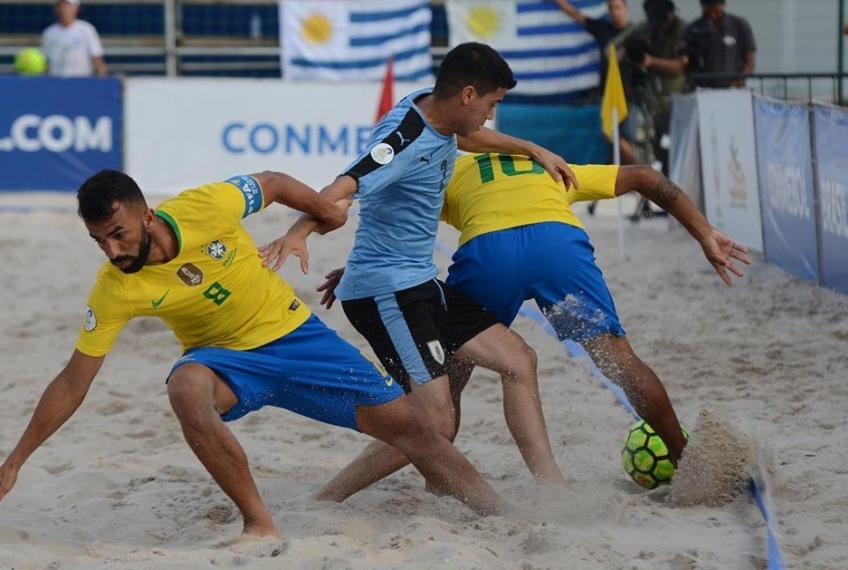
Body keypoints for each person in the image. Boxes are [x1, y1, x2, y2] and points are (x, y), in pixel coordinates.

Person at [0, 169, 513, 540]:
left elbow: (271, 183)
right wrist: (16, 460)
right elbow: (73, 381)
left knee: (419, 431)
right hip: (225, 362)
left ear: (147, 216)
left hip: (297, 338)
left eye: (118, 234)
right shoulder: (115, 288)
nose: (113, 251)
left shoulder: (204, 205)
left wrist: (321, 209)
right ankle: (259, 523)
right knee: (185, 388)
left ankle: (502, 515)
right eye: (99, 241)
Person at [259, 42, 579, 503]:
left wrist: (531, 148)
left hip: (418, 281)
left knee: (519, 361)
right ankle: (326, 500)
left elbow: (464, 137)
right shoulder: (403, 139)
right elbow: (344, 186)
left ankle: (554, 489)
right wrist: (300, 230)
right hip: (388, 293)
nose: (491, 116)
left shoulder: (436, 109)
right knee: (433, 425)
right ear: (468, 94)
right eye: (492, 104)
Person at [316, 154, 751, 487]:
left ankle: (439, 478)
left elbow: (395, 220)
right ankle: (683, 458)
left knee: (453, 368)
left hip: (490, 252)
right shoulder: (551, 166)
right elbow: (645, 176)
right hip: (556, 244)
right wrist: (704, 233)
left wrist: (360, 272)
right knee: (616, 359)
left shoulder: (450, 170)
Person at [551, 0, 639, 165]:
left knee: (630, 139)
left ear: (626, 9)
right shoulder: (604, 29)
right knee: (609, 135)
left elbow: (646, 61)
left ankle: (643, 169)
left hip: (631, 95)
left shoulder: (636, 33)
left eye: (618, 7)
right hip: (607, 94)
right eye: (611, 8)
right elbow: (579, 17)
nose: (614, 11)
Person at [613, 0, 687, 174]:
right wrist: (619, 53)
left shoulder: (681, 29)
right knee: (652, 142)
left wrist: (652, 62)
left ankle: (671, 175)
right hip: (651, 96)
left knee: (674, 144)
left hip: (676, 97)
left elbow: (680, 66)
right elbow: (614, 46)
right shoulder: (644, 28)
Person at [679, 0, 756, 89]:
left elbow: (750, 61)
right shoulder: (692, 29)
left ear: (723, 6)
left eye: (716, 10)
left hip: (733, 89)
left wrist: (738, 82)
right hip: (702, 89)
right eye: (708, 11)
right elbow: (684, 61)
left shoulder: (739, 25)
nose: (713, 15)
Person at [40, 0, 108, 77]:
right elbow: (45, 61)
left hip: (81, 81)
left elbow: (96, 57)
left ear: (76, 9)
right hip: (56, 81)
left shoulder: (86, 29)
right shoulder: (49, 33)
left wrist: (102, 76)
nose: (64, 9)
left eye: (68, 6)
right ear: (56, 9)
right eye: (61, 6)